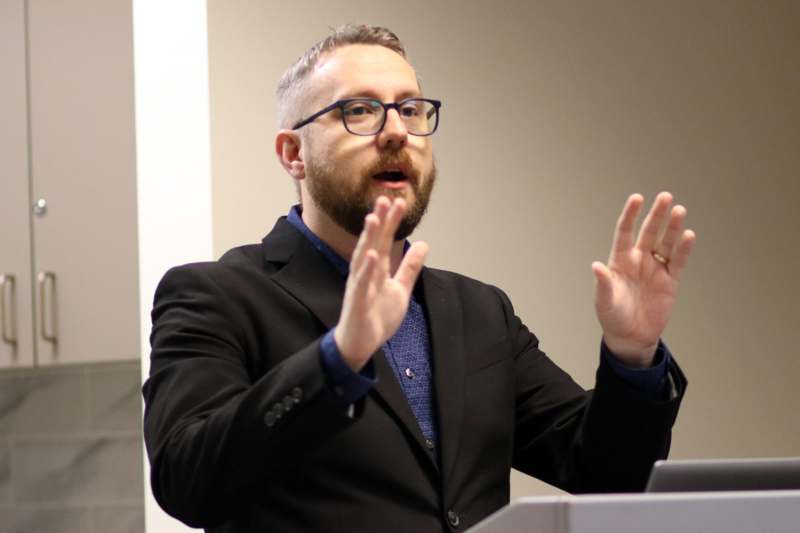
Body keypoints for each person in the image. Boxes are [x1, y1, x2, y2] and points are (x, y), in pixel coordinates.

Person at [142, 24, 695, 533]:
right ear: (293, 154)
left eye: (410, 109)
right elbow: (188, 483)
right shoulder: (215, 296)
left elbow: (604, 474)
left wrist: (632, 356)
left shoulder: (480, 312)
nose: (395, 132)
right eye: (359, 110)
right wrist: (338, 359)